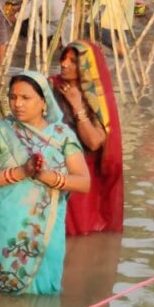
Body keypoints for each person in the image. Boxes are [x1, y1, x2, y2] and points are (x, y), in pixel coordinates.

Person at [0, 72, 90, 295]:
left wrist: (48, 177)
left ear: (44, 100)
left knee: (44, 297)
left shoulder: (62, 135)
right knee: (3, 296)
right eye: (13, 97)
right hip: (6, 230)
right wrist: (22, 171)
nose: (17, 104)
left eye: (25, 98)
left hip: (47, 233)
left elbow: (84, 182)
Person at [50, 42, 124, 235]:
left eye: (73, 61)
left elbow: (93, 142)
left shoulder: (95, 99)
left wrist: (77, 106)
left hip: (81, 176)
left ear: (86, 67)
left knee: (78, 238)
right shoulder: (50, 88)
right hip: (51, 170)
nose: (64, 64)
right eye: (63, 59)